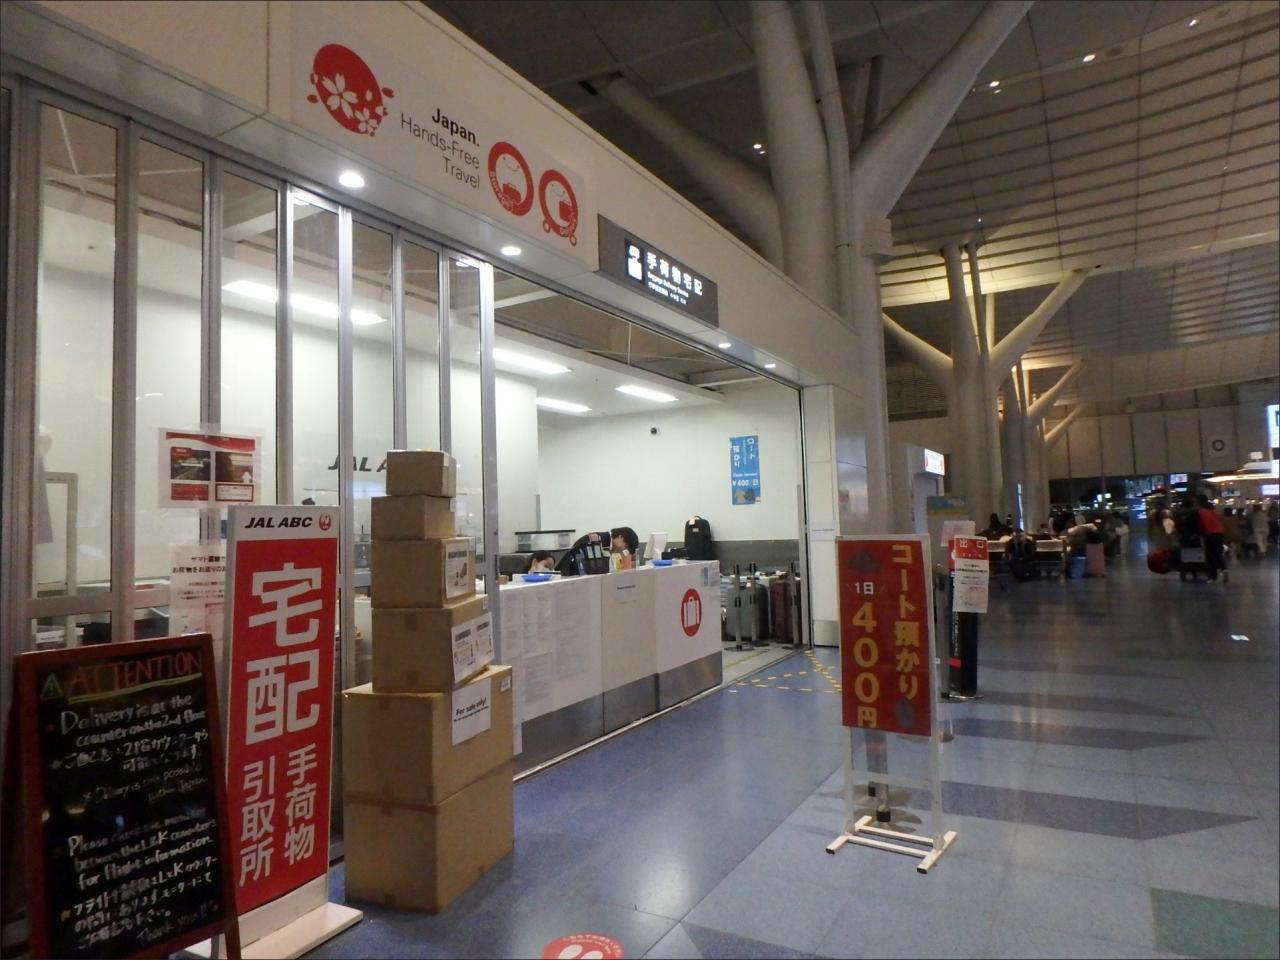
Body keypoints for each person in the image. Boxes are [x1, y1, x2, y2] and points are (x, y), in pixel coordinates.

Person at [1196, 495, 1226, 583]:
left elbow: (1200, 524)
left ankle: (1213, 576)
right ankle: (1224, 569)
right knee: (1218, 553)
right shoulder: (1213, 509)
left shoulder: (1200, 511)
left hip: (1208, 533)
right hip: (1219, 532)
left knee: (1210, 555)